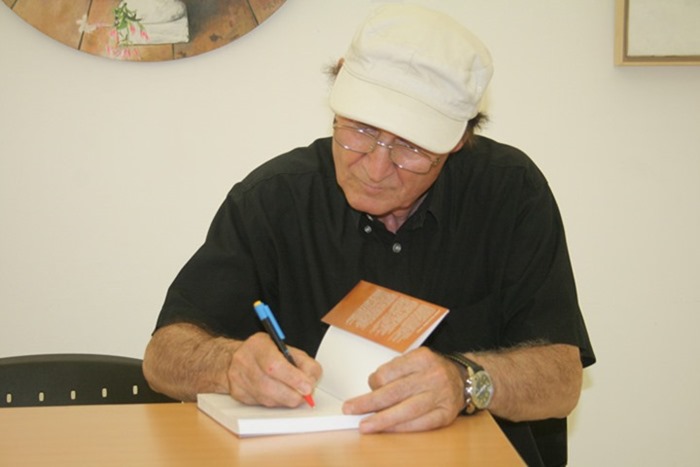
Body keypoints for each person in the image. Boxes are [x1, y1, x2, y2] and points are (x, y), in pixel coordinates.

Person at [143, 4, 595, 466]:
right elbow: (163, 357)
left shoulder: (510, 192)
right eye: (360, 131)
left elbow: (561, 380)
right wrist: (229, 366)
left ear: (457, 140)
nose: (376, 168)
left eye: (411, 147)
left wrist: (465, 381)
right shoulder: (276, 198)